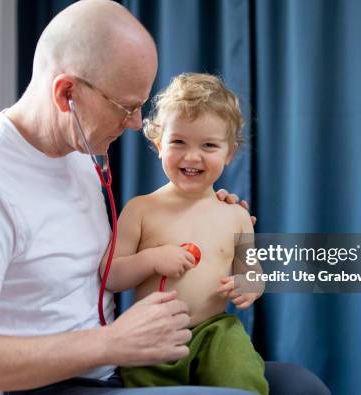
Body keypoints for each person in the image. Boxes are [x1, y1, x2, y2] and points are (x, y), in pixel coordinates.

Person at [0, 1, 330, 395]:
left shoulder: (75, 150)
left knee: (300, 387)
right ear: (67, 95)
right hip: (45, 385)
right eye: (125, 106)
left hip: (114, 366)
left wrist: (204, 209)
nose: (135, 124)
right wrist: (111, 343)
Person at [100, 73, 268, 394]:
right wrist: (151, 259)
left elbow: (253, 272)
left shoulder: (237, 216)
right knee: (146, 383)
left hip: (215, 331)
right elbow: (110, 276)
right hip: (151, 331)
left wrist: (249, 285)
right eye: (178, 142)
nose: (192, 156)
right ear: (158, 144)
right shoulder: (141, 209)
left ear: (229, 152)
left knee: (241, 371)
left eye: (209, 145)